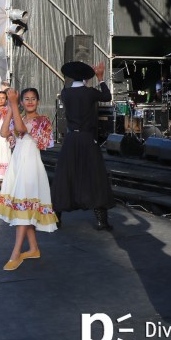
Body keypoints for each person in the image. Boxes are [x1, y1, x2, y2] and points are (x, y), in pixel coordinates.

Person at [0, 87, 58, 270]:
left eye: (33, 99)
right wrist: (10, 107)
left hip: (30, 167)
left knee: (23, 206)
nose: (30, 102)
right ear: (22, 102)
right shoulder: (19, 116)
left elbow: (22, 130)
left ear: (38, 101)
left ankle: (16, 254)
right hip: (17, 164)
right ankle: (33, 248)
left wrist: (14, 105)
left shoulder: (42, 120)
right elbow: (4, 132)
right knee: (24, 206)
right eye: (26, 99)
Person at [51, 61, 116, 230]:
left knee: (65, 175)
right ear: (86, 77)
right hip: (87, 139)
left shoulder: (65, 93)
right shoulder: (90, 93)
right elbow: (107, 96)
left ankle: (57, 218)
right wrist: (100, 78)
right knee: (95, 175)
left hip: (71, 139)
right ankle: (101, 221)